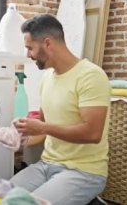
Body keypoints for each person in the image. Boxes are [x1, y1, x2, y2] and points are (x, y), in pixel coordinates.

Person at [11, 14, 111, 205]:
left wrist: (41, 128)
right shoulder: (47, 78)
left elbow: (92, 133)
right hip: (46, 165)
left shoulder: (91, 76)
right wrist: (20, 140)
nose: (28, 55)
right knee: (0, 198)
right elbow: (42, 128)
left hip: (84, 171)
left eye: (29, 48)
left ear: (47, 43)